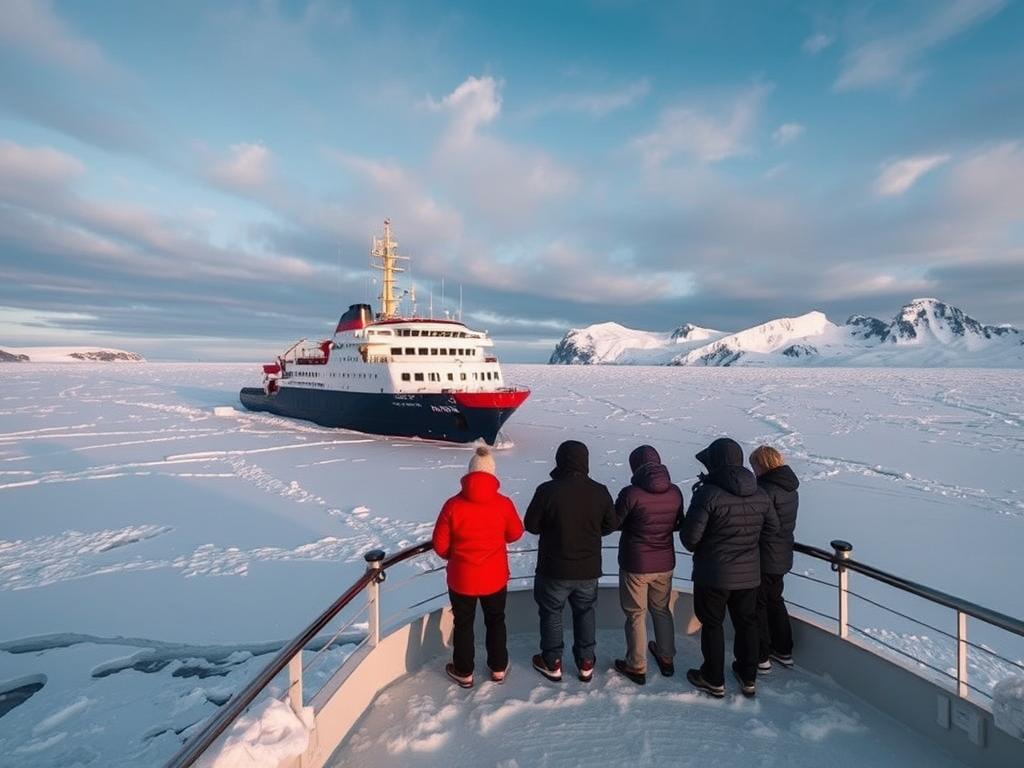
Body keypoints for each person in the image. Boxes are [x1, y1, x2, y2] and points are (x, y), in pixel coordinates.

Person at [681, 437, 778, 698]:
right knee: (747, 623)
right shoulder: (760, 493)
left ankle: (713, 678)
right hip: (749, 575)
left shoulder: (708, 494)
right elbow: (772, 530)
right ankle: (748, 676)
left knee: (712, 624)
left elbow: (690, 539)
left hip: (713, 575)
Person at [432, 445, 524, 688]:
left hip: (462, 578)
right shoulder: (503, 504)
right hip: (494, 577)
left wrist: (456, 557)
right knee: (496, 620)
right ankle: (498, 667)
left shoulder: (452, 505)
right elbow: (516, 533)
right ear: (492, 474)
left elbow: (439, 545)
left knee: (463, 623)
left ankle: (464, 671)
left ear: (469, 472)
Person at [525, 440, 616, 683]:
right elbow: (610, 524)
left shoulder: (547, 490)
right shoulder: (600, 491)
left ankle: (552, 662)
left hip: (553, 568)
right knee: (585, 612)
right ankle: (586, 661)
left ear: (560, 460)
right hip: (588, 569)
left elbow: (531, 525)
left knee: (552, 613)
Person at [612, 445, 685, 685]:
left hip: (636, 562)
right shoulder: (675, 492)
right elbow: (678, 523)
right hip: (665, 561)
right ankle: (666, 657)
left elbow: (615, 521)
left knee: (635, 614)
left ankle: (637, 665)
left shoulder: (631, 494)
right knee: (661, 609)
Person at [750, 445, 799, 672]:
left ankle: (762, 655)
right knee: (775, 601)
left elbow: (765, 525)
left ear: (762, 465)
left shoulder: (765, 490)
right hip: (781, 555)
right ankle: (784, 649)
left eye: (754, 466)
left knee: (758, 605)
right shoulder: (789, 488)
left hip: (763, 556)